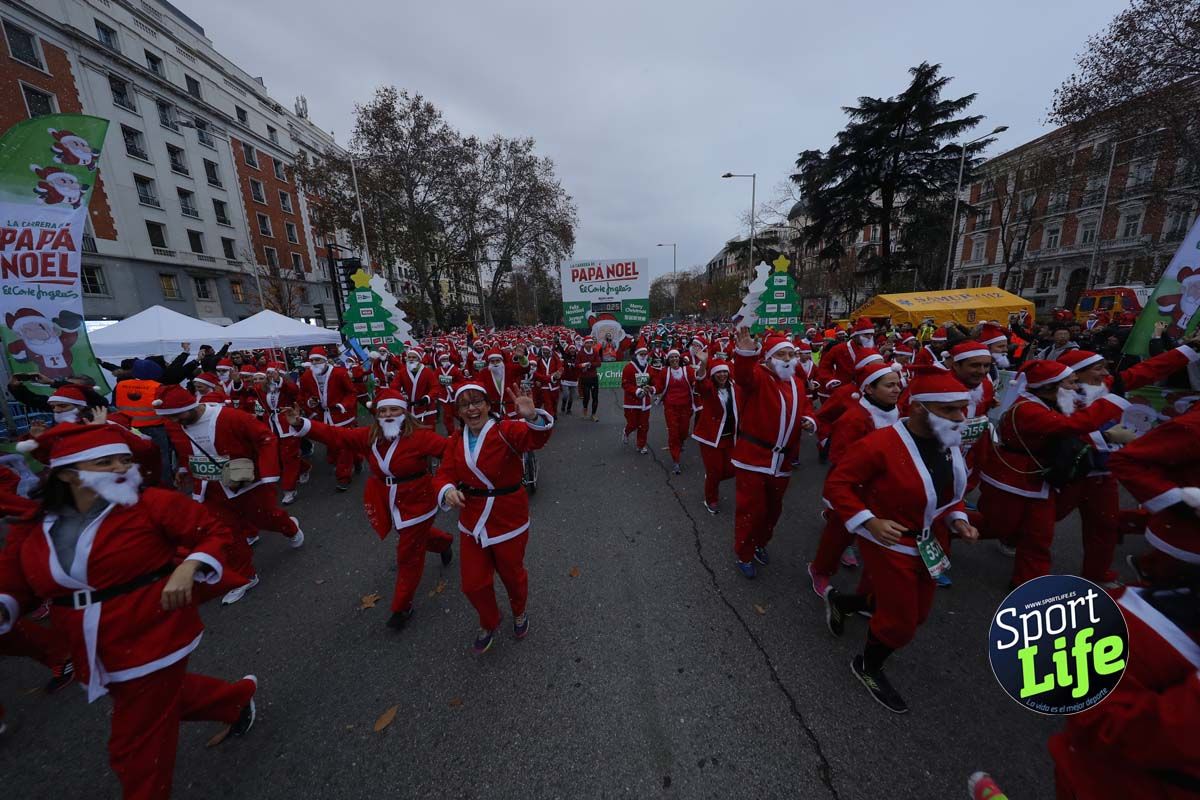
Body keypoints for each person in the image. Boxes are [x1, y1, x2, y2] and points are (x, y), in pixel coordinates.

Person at [0, 423, 257, 800]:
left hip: (152, 631)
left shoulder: (151, 503)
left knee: (135, 747)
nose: (121, 467)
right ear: (69, 473)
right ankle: (234, 701)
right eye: (106, 462)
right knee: (153, 699)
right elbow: (15, 575)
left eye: (124, 459)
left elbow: (211, 531)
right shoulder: (37, 524)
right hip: (91, 644)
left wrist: (189, 567)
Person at [821, 368, 980, 713]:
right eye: (950, 409)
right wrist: (870, 521)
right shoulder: (880, 444)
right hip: (890, 543)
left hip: (931, 542)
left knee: (919, 610)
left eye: (961, 408)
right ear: (921, 408)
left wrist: (959, 518)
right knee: (903, 620)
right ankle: (867, 665)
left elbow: (950, 490)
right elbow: (838, 485)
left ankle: (843, 602)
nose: (960, 417)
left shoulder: (947, 439)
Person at [285, 389, 453, 629]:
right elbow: (337, 435)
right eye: (383, 410)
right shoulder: (369, 437)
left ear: (404, 412)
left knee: (408, 555)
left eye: (394, 409)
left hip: (419, 501)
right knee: (412, 539)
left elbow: (452, 453)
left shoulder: (421, 437)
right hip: (389, 501)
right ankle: (444, 542)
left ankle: (402, 607)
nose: (388, 414)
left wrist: (447, 485)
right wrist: (303, 424)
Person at [977, 360, 1131, 588]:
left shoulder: (1049, 401)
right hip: (1013, 480)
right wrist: (1113, 404)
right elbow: (1069, 426)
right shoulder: (1028, 408)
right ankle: (944, 530)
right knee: (995, 527)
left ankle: (1028, 585)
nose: (1076, 388)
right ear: (1051, 386)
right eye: (1071, 383)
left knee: (1039, 537)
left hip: (1039, 481)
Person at [153, 384, 304, 605]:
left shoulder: (230, 417)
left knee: (267, 518)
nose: (175, 421)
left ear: (191, 405)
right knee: (227, 534)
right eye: (171, 417)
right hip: (210, 489)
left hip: (243, 481)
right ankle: (245, 577)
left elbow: (265, 439)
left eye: (178, 415)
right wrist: (184, 469)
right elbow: (184, 450)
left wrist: (269, 475)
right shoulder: (174, 424)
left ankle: (289, 527)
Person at [435, 382, 553, 653]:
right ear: (459, 411)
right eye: (465, 404)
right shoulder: (455, 440)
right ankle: (489, 620)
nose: (472, 408)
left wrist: (533, 417)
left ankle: (519, 611)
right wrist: (447, 489)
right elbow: (444, 473)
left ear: (489, 405)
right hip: (472, 520)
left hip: (508, 518)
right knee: (472, 584)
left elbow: (536, 439)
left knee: (512, 575)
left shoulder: (505, 430)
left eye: (477, 402)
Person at [808, 360, 902, 597]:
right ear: (869, 389)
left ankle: (867, 594)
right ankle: (819, 570)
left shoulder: (897, 412)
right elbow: (841, 460)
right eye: (889, 385)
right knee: (837, 536)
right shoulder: (855, 419)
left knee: (877, 541)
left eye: (897, 384)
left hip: (883, 490)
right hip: (853, 489)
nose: (896, 389)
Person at [729, 328, 816, 578]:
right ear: (768, 358)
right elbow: (743, 376)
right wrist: (745, 352)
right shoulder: (758, 377)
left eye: (791, 354)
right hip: (753, 460)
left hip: (782, 462)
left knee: (773, 510)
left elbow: (807, 406)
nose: (788, 359)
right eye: (782, 354)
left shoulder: (798, 383)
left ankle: (760, 543)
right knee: (750, 509)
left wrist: (810, 419)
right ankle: (744, 553)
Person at [298, 346, 360, 492]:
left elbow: (351, 393)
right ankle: (357, 459)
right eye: (312, 360)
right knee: (333, 445)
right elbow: (302, 395)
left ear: (325, 360)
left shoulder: (339, 373)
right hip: (323, 416)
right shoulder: (306, 376)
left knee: (344, 446)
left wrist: (343, 405)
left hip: (341, 415)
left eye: (318, 359)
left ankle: (343, 477)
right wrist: (309, 403)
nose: (315, 363)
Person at [252, 362, 310, 505]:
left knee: (288, 457)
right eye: (269, 373)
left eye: (274, 373)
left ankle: (289, 490)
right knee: (280, 454)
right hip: (271, 424)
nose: (270, 375)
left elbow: (295, 391)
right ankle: (304, 467)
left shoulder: (286, 387)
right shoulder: (261, 389)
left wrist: (279, 380)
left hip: (287, 422)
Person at [692, 356, 737, 513]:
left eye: (725, 372)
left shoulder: (734, 388)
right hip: (711, 437)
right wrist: (704, 365)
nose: (722, 375)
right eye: (719, 372)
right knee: (715, 471)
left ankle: (711, 478)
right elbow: (701, 382)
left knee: (733, 469)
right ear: (713, 374)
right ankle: (710, 499)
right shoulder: (709, 389)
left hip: (730, 437)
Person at [653, 349, 697, 474]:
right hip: (670, 407)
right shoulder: (664, 372)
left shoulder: (687, 370)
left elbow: (696, 382)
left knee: (683, 432)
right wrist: (650, 389)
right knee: (673, 433)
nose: (674, 359)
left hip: (686, 407)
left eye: (676, 357)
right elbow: (659, 386)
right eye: (671, 357)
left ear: (679, 359)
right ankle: (676, 461)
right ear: (668, 360)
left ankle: (681, 442)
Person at [621, 342, 656, 454]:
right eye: (641, 354)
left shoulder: (649, 368)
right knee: (633, 424)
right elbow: (625, 384)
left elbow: (654, 382)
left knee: (644, 425)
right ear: (636, 354)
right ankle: (626, 431)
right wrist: (636, 390)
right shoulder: (629, 368)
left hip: (645, 402)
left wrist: (651, 388)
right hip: (631, 402)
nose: (644, 356)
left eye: (645, 354)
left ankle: (641, 445)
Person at [391, 347, 438, 428]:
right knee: (409, 435)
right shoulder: (402, 372)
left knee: (427, 435)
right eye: (409, 357)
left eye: (414, 357)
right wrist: (399, 395)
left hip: (426, 409)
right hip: (409, 409)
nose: (411, 359)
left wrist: (427, 398)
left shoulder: (427, 372)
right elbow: (394, 387)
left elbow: (435, 387)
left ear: (419, 359)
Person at [531, 344, 563, 420]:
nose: (545, 352)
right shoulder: (538, 360)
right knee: (547, 402)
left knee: (554, 401)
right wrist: (537, 380)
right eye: (544, 350)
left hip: (554, 384)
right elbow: (536, 372)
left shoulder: (555, 358)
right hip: (544, 384)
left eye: (547, 350)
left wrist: (558, 372)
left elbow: (560, 367)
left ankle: (554, 412)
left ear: (549, 351)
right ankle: (550, 417)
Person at [577, 337, 602, 421]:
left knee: (595, 397)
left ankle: (593, 414)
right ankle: (585, 408)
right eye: (587, 343)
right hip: (584, 378)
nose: (589, 344)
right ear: (584, 344)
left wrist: (590, 364)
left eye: (591, 343)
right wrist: (583, 365)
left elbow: (599, 363)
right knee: (586, 397)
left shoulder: (595, 351)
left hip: (593, 377)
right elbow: (577, 365)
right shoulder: (580, 353)